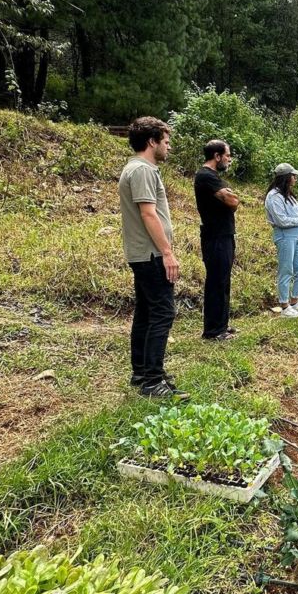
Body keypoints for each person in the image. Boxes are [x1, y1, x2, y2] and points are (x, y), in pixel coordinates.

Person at [119, 116, 187, 398]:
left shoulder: (135, 168)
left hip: (143, 253)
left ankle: (142, 372)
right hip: (151, 254)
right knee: (162, 312)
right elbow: (148, 213)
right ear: (152, 141)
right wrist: (167, 253)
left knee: (147, 312)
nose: (168, 147)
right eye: (166, 141)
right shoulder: (143, 170)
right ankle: (152, 381)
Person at [194, 140, 239, 341]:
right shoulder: (206, 176)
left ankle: (221, 324)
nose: (229, 159)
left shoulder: (213, 177)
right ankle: (213, 331)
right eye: (227, 155)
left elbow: (232, 200)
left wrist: (230, 199)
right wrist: (230, 199)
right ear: (217, 156)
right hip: (215, 236)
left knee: (223, 280)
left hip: (223, 234)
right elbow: (232, 200)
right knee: (216, 282)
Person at [265, 163, 298, 319]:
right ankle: (284, 306)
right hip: (284, 236)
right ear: (285, 178)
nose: (295, 178)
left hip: (296, 236)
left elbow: (292, 215)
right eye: (293, 175)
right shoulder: (274, 196)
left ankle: (294, 301)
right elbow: (281, 220)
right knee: (286, 270)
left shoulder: (288, 195)